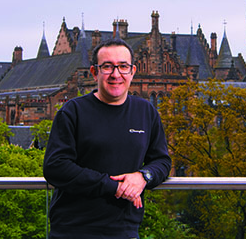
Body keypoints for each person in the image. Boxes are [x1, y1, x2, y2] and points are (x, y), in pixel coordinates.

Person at [43, 38, 171, 239]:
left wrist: (143, 177)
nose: (116, 74)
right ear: (95, 72)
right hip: (73, 230)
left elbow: (162, 161)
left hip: (125, 231)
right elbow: (55, 166)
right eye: (107, 67)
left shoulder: (146, 111)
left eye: (122, 67)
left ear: (132, 71)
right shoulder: (73, 111)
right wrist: (115, 187)